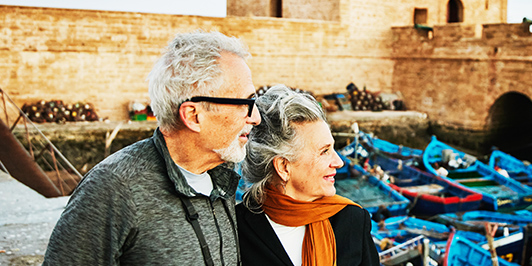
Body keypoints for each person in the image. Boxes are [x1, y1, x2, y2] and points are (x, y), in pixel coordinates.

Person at [43, 31, 261, 265]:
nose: (255, 117)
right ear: (193, 116)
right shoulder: (114, 188)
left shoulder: (223, 172)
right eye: (246, 104)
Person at [237, 85, 379, 266]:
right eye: (324, 151)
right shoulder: (237, 228)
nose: (339, 162)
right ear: (283, 167)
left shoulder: (352, 220)